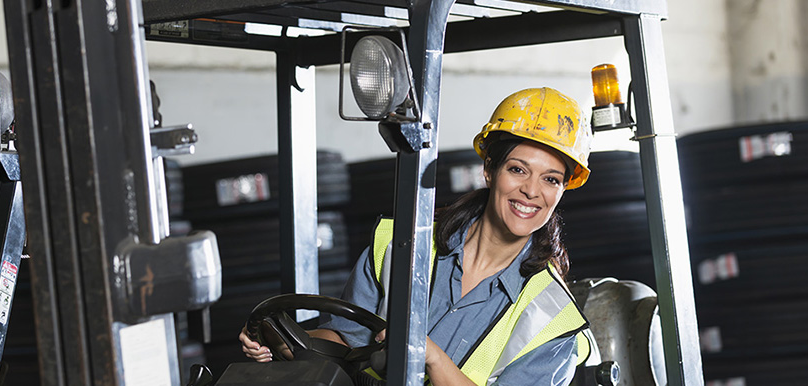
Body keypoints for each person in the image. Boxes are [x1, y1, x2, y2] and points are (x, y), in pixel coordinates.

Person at [240, 87, 595, 385]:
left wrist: (434, 360)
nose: (532, 191)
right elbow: (345, 340)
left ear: (564, 189)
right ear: (489, 170)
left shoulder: (551, 316)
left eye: (550, 179)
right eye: (518, 170)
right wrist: (283, 343)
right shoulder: (399, 246)